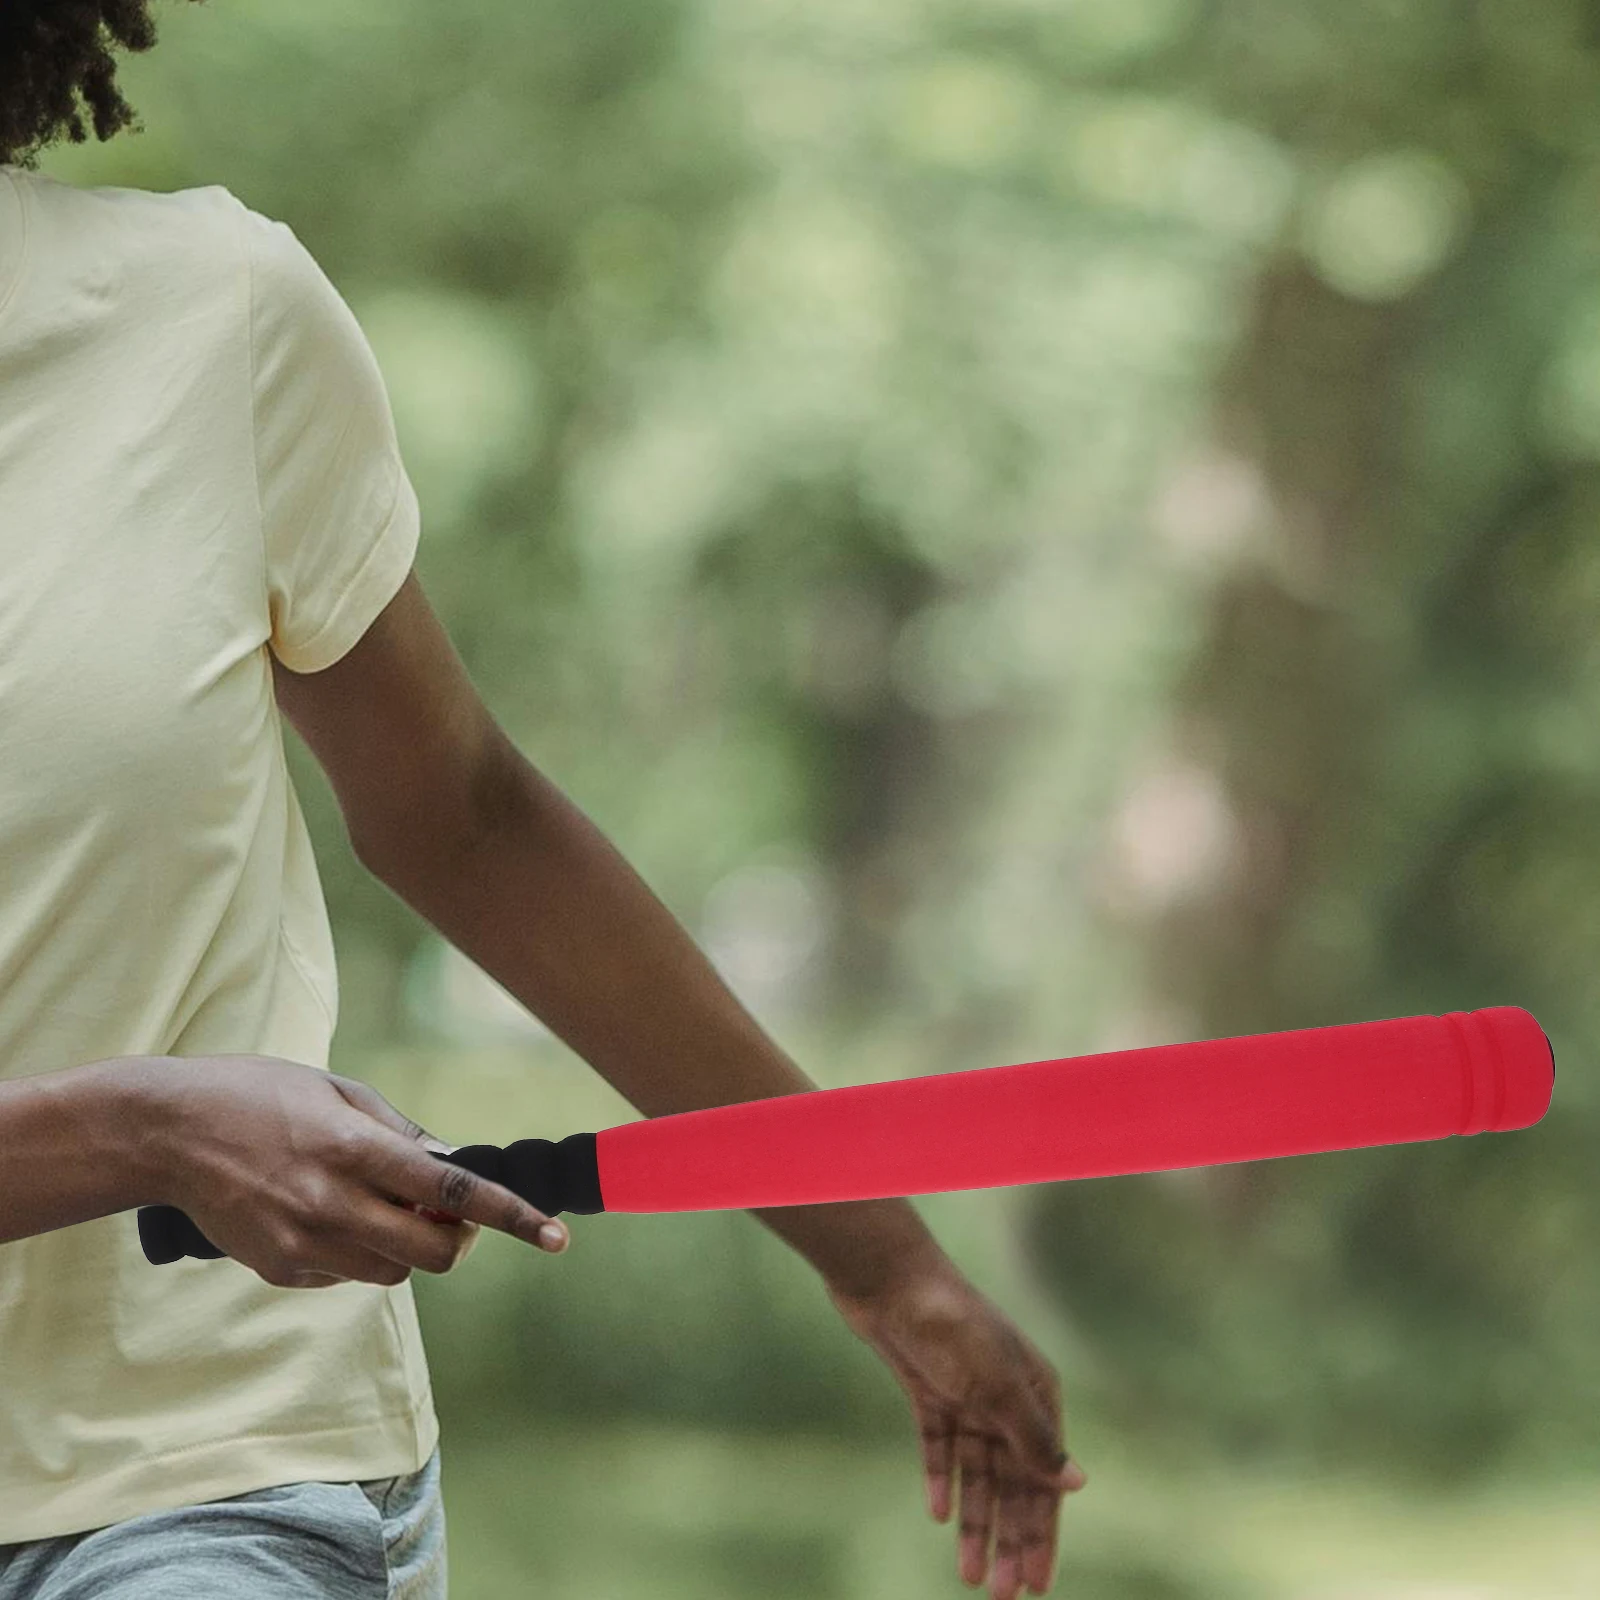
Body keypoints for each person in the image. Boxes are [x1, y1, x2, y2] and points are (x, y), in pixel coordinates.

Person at [0, 6, 1087, 1599]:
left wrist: (883, 1254)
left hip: (194, 1468)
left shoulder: (210, 316)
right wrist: (136, 1130)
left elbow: (470, 818)